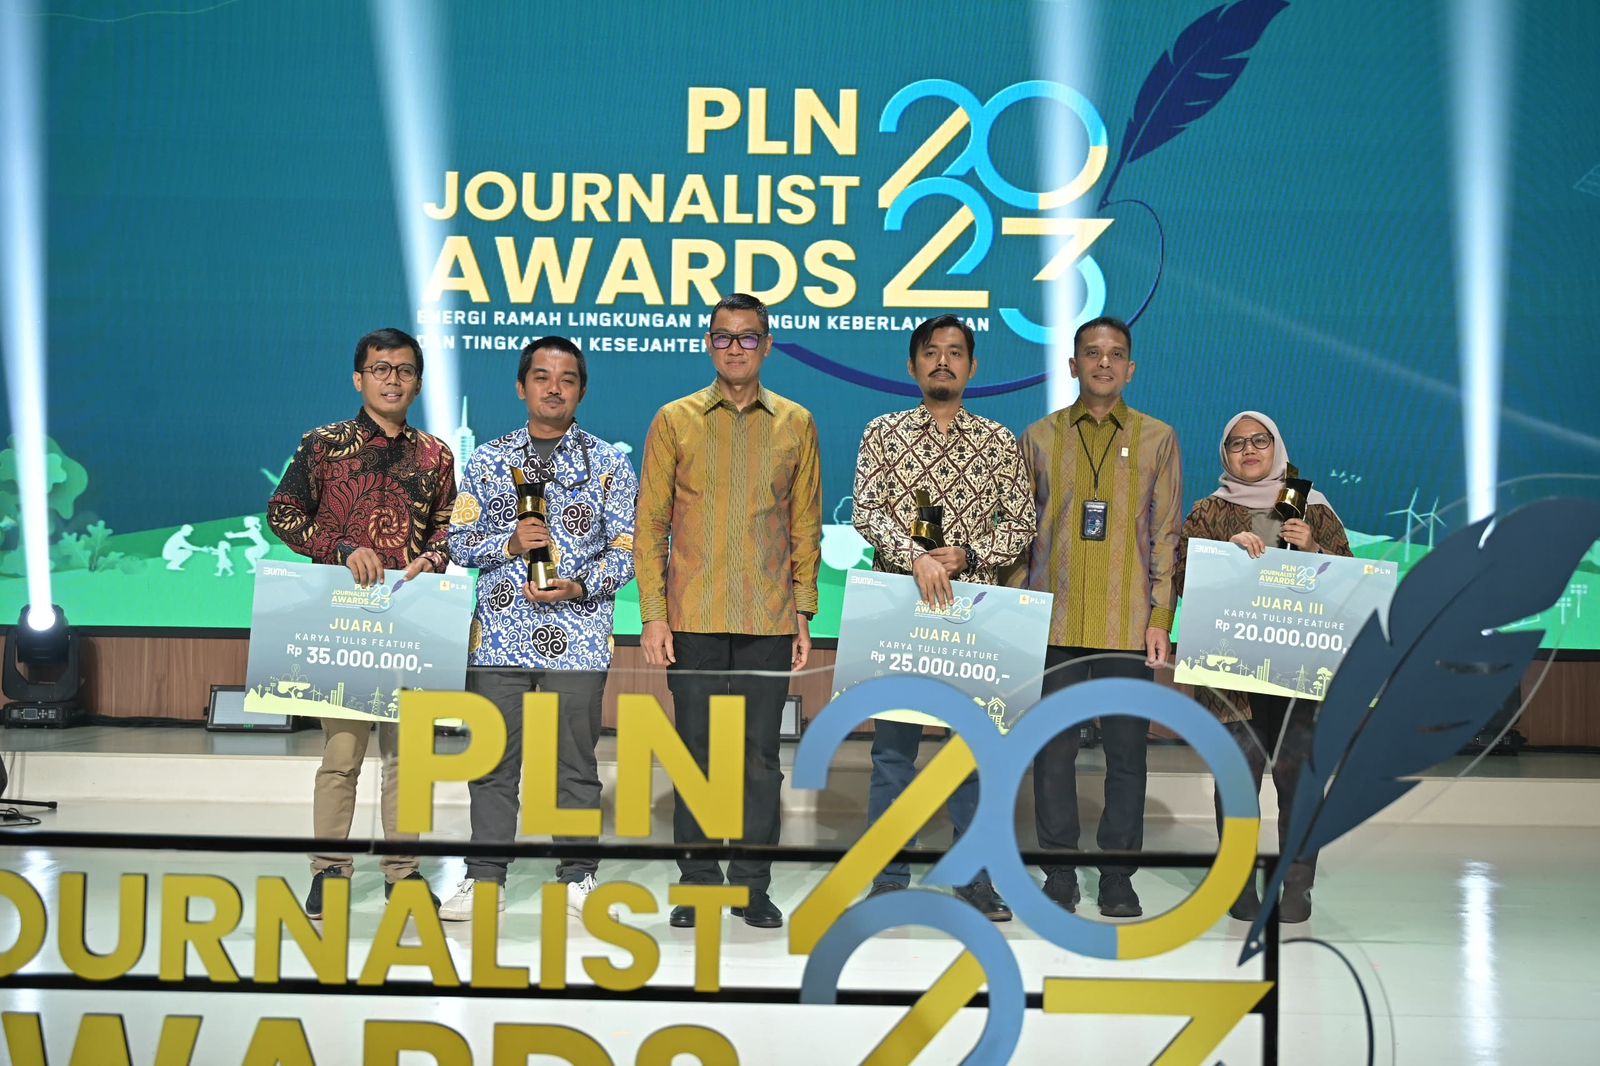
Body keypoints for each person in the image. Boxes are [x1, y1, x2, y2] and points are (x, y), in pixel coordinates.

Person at [636, 292, 822, 931]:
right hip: (692, 619)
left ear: (767, 346)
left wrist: (804, 612)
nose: (735, 348)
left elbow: (805, 525)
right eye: (723, 337)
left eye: (747, 337)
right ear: (708, 344)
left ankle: (751, 885)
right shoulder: (674, 420)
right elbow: (651, 525)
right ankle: (697, 884)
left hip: (768, 620)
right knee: (696, 755)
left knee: (759, 761)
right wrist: (654, 616)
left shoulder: (796, 422)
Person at [440, 337, 637, 921]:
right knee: (492, 762)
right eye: (542, 377)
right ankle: (485, 878)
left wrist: (579, 586)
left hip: (578, 637)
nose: (554, 388)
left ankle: (578, 874)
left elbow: (628, 549)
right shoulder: (488, 460)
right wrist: (508, 544)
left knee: (575, 763)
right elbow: (458, 542)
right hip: (499, 637)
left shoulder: (609, 463)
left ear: (581, 391)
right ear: (521, 386)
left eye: (567, 379)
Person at [851, 314, 1035, 919]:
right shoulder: (884, 433)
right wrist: (916, 557)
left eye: (955, 352)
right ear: (912, 365)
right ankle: (888, 873)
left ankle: (974, 876)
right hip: (901, 612)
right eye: (931, 352)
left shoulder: (998, 440)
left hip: (974, 617)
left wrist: (970, 554)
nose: (943, 362)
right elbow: (867, 511)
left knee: (973, 752)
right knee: (892, 751)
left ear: (972, 367)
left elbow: (1022, 524)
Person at [268, 327, 456, 918]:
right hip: (343, 621)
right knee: (342, 755)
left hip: (412, 620)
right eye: (380, 369)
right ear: (359, 379)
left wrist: (435, 557)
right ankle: (329, 870)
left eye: (404, 370)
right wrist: (341, 547)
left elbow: (449, 525)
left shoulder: (437, 455)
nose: (392, 380)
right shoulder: (323, 445)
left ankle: (404, 872)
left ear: (417, 382)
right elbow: (283, 512)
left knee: (409, 759)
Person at [1021, 315, 1182, 919]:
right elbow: (1021, 534)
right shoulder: (1038, 437)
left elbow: (1165, 534)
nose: (1104, 363)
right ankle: (1059, 872)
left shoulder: (1157, 438)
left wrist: (1161, 615)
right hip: (1053, 620)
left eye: (1115, 354)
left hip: (1126, 622)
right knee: (1052, 752)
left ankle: (1117, 876)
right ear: (1073, 365)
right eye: (1092, 353)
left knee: (1127, 753)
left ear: (1130, 368)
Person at [1174, 410, 1351, 923]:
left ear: (1277, 448)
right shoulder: (1209, 511)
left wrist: (1314, 549)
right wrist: (1221, 553)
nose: (1249, 450)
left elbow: (1350, 583)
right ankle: (1237, 882)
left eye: (1259, 440)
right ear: (1225, 455)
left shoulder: (1313, 508)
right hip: (1231, 676)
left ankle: (1297, 884)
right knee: (1237, 780)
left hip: (1300, 673)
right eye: (1236, 444)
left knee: (1299, 780)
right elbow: (1182, 579)